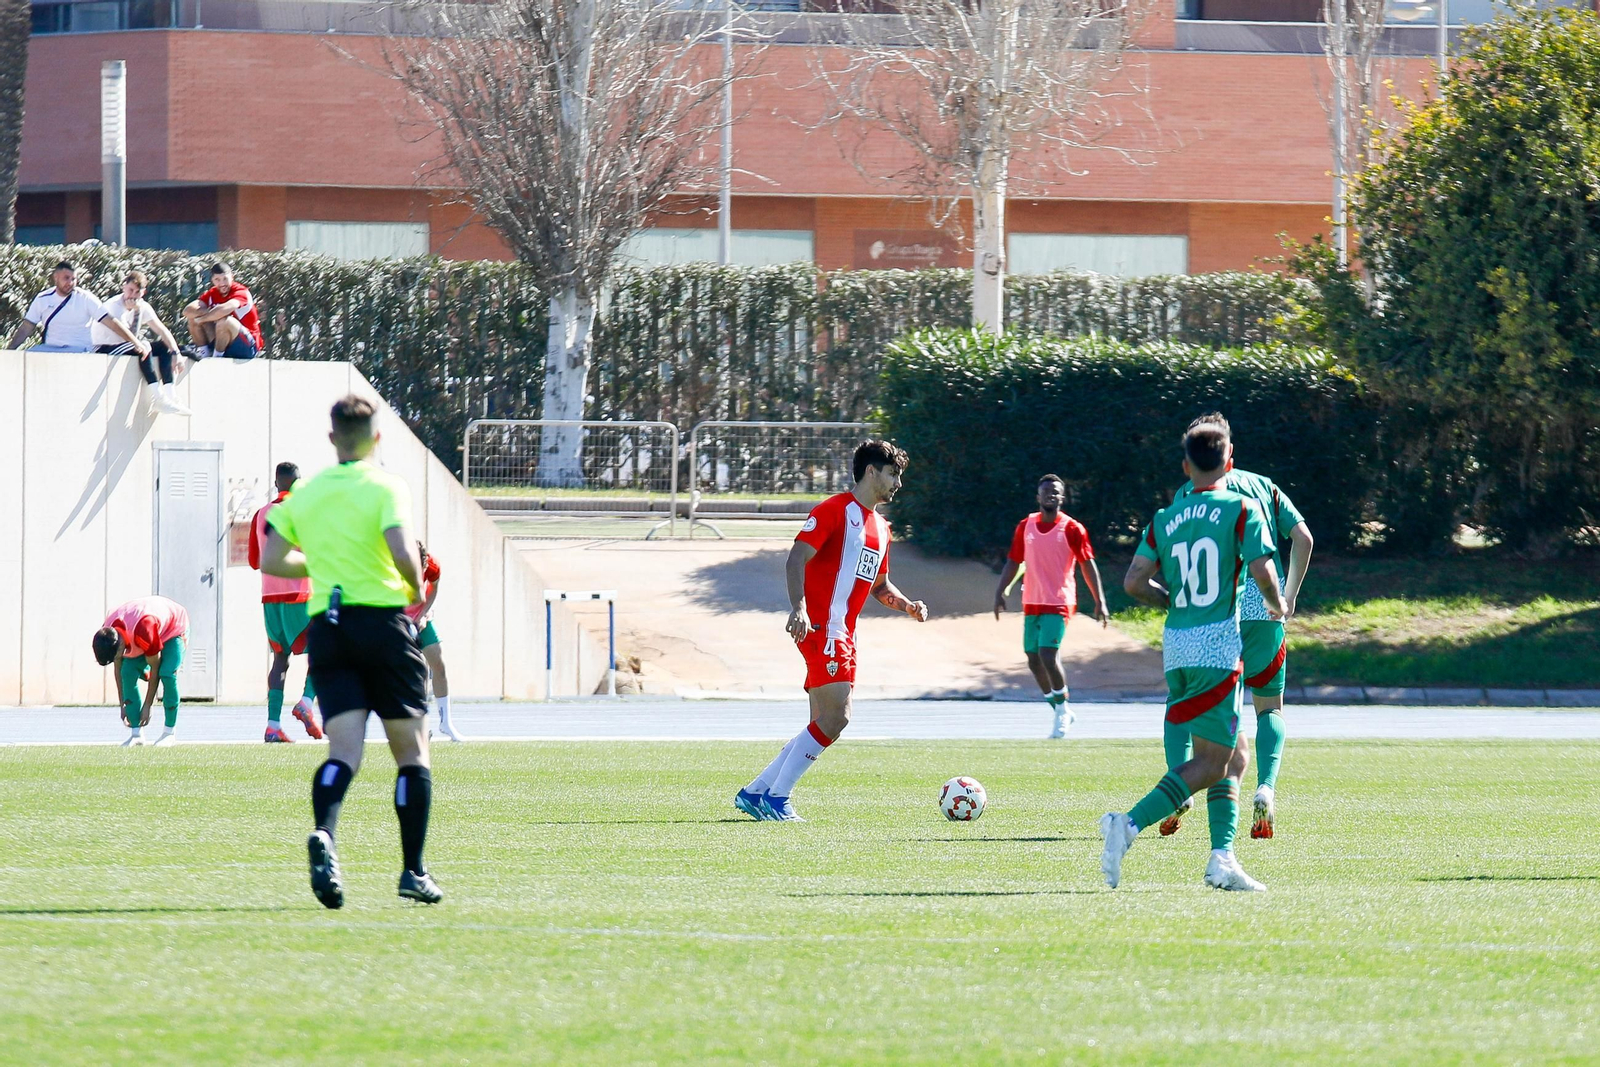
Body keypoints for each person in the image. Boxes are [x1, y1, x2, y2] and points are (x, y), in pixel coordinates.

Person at [261, 395, 442, 908]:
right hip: (382, 623)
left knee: (343, 751)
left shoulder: (308, 492)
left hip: (330, 627)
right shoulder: (387, 486)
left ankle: (326, 832)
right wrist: (412, 590)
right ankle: (412, 871)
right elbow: (406, 552)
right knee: (411, 753)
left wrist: (321, 566)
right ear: (376, 438)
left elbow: (273, 558)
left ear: (332, 438)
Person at [1099, 419, 1285, 892]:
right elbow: (1263, 570)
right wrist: (1278, 603)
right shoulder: (1240, 508)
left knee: (1236, 755)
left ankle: (1222, 858)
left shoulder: (1165, 518)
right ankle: (1128, 825)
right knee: (1213, 762)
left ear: (1185, 466)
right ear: (1229, 462)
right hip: (1216, 647)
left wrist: (1172, 600)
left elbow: (1134, 582)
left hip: (1177, 646)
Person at [734, 440, 930, 822]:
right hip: (821, 627)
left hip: (844, 635)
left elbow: (879, 586)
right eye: (893, 474)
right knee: (838, 717)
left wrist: (907, 605)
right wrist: (799, 608)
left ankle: (756, 792)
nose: (898, 483)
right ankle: (777, 798)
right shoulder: (834, 511)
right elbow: (796, 558)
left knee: (822, 721)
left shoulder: (882, 528)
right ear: (871, 471)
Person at [1157, 413, 1316, 841]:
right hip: (1265, 609)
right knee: (1270, 707)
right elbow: (1303, 538)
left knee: (1183, 704)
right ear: (1231, 452)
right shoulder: (1265, 486)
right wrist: (1289, 594)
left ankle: (1179, 783)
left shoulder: (1189, 491)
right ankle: (1265, 787)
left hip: (1212, 617)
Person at [993, 474, 1109, 738]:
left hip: (1059, 600)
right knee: (1033, 659)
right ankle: (1060, 710)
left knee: (1048, 654)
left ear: (1062, 497)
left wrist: (1099, 600)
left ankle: (1063, 710)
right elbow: (1013, 560)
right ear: (1038, 496)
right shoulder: (1026, 526)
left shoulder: (1072, 528)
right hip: (1032, 600)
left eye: (1055, 492)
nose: (1050, 496)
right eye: (1046, 492)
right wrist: (999, 591)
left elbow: (1087, 564)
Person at [248, 461, 324, 744]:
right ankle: (306, 701)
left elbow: (255, 561)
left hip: (269, 598)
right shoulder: (301, 511)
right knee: (323, 646)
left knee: (280, 659)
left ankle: (272, 725)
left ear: (277, 483)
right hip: (299, 594)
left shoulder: (260, 514)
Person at [92, 595, 189, 747]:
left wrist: (148, 705)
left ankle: (169, 733)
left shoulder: (144, 630)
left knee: (167, 674)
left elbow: (156, 668)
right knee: (127, 672)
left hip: (173, 628)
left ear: (120, 645)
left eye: (117, 655)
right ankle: (136, 734)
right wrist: (122, 704)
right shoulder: (108, 631)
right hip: (138, 633)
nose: (118, 659)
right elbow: (119, 669)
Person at [92, 270, 190, 416]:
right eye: (131, 290)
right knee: (143, 345)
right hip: (105, 347)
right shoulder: (114, 306)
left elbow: (162, 330)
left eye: (137, 292)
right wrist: (136, 313)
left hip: (127, 345)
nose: (133, 295)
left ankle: (170, 395)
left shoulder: (142, 305)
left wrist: (176, 353)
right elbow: (130, 337)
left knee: (164, 346)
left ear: (143, 292)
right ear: (124, 287)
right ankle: (157, 397)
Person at [8, 260, 147, 355]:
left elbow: (111, 322)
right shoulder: (42, 298)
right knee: (28, 356)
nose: (70, 282)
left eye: (73, 279)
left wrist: (135, 342)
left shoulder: (85, 298)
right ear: (55, 277)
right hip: (50, 349)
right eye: (66, 278)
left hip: (81, 350)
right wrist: (9, 351)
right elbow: (27, 327)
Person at [408, 543, 462, 742]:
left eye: (423, 568)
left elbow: (434, 589)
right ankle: (420, 726)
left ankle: (446, 723)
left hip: (420, 617)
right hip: (398, 618)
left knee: (438, 665)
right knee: (418, 671)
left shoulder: (432, 565)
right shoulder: (393, 565)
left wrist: (424, 614)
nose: (421, 573)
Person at [181, 261, 262, 361]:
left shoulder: (241, 291)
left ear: (232, 277)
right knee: (193, 317)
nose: (222, 283)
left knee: (225, 321)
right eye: (217, 280)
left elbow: (224, 309)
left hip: (248, 346)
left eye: (225, 279)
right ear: (212, 281)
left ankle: (217, 357)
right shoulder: (212, 293)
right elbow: (187, 311)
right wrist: (205, 315)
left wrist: (203, 319)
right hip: (223, 342)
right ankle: (204, 352)